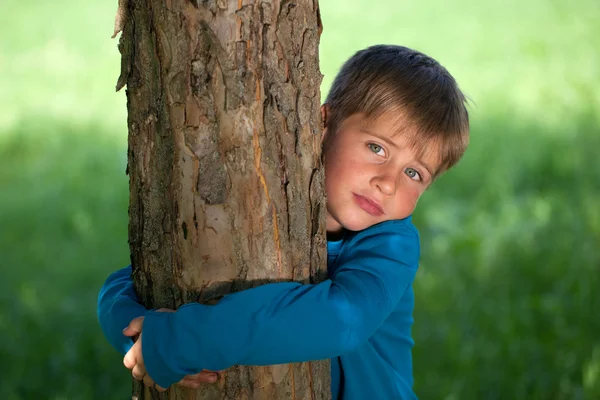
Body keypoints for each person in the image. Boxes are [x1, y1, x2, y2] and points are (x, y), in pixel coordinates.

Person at [97, 44, 470, 399]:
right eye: (377, 148)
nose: (388, 183)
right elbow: (124, 284)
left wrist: (186, 340)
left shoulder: (391, 245)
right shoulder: (264, 204)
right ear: (322, 123)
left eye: (414, 173)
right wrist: (139, 338)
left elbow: (342, 319)